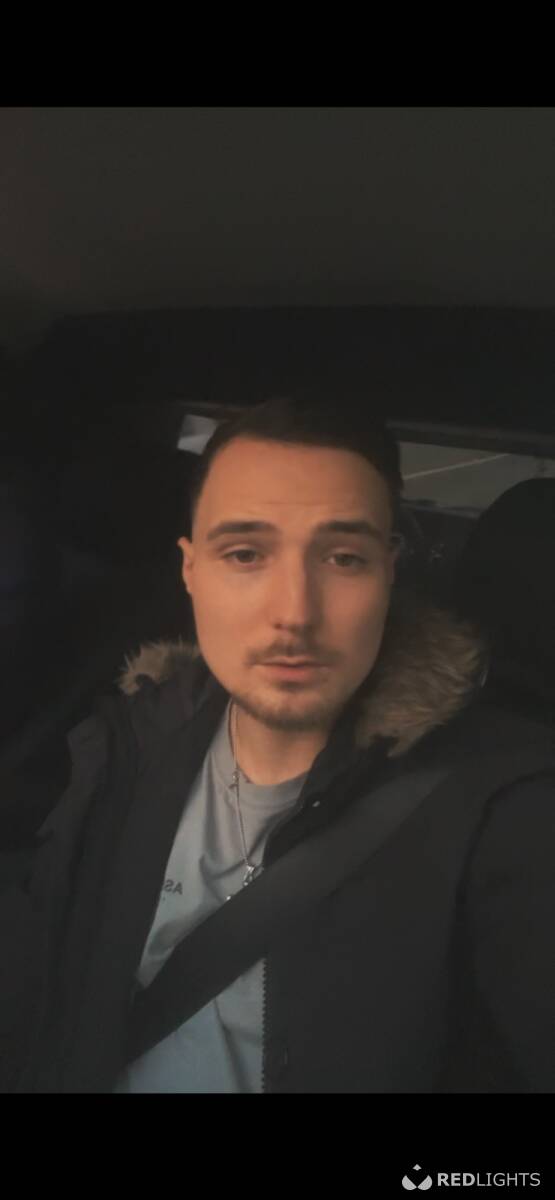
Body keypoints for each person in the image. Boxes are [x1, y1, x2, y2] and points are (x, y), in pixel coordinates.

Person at [1, 392, 554, 1094]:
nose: (294, 612)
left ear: (389, 571)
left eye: (343, 558)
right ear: (190, 570)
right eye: (244, 554)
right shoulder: (125, 738)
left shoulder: (503, 806)